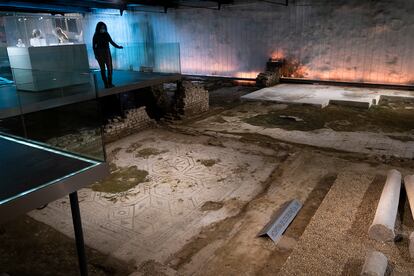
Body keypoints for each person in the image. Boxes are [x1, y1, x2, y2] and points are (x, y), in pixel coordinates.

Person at [93, 22, 123, 88]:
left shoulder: (106, 34)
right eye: (101, 28)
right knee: (103, 69)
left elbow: (111, 42)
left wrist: (118, 47)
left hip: (107, 52)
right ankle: (106, 84)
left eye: (103, 28)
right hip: (100, 53)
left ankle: (110, 83)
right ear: (98, 28)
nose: (102, 29)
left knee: (110, 68)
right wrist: (96, 55)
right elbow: (94, 46)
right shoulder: (96, 35)